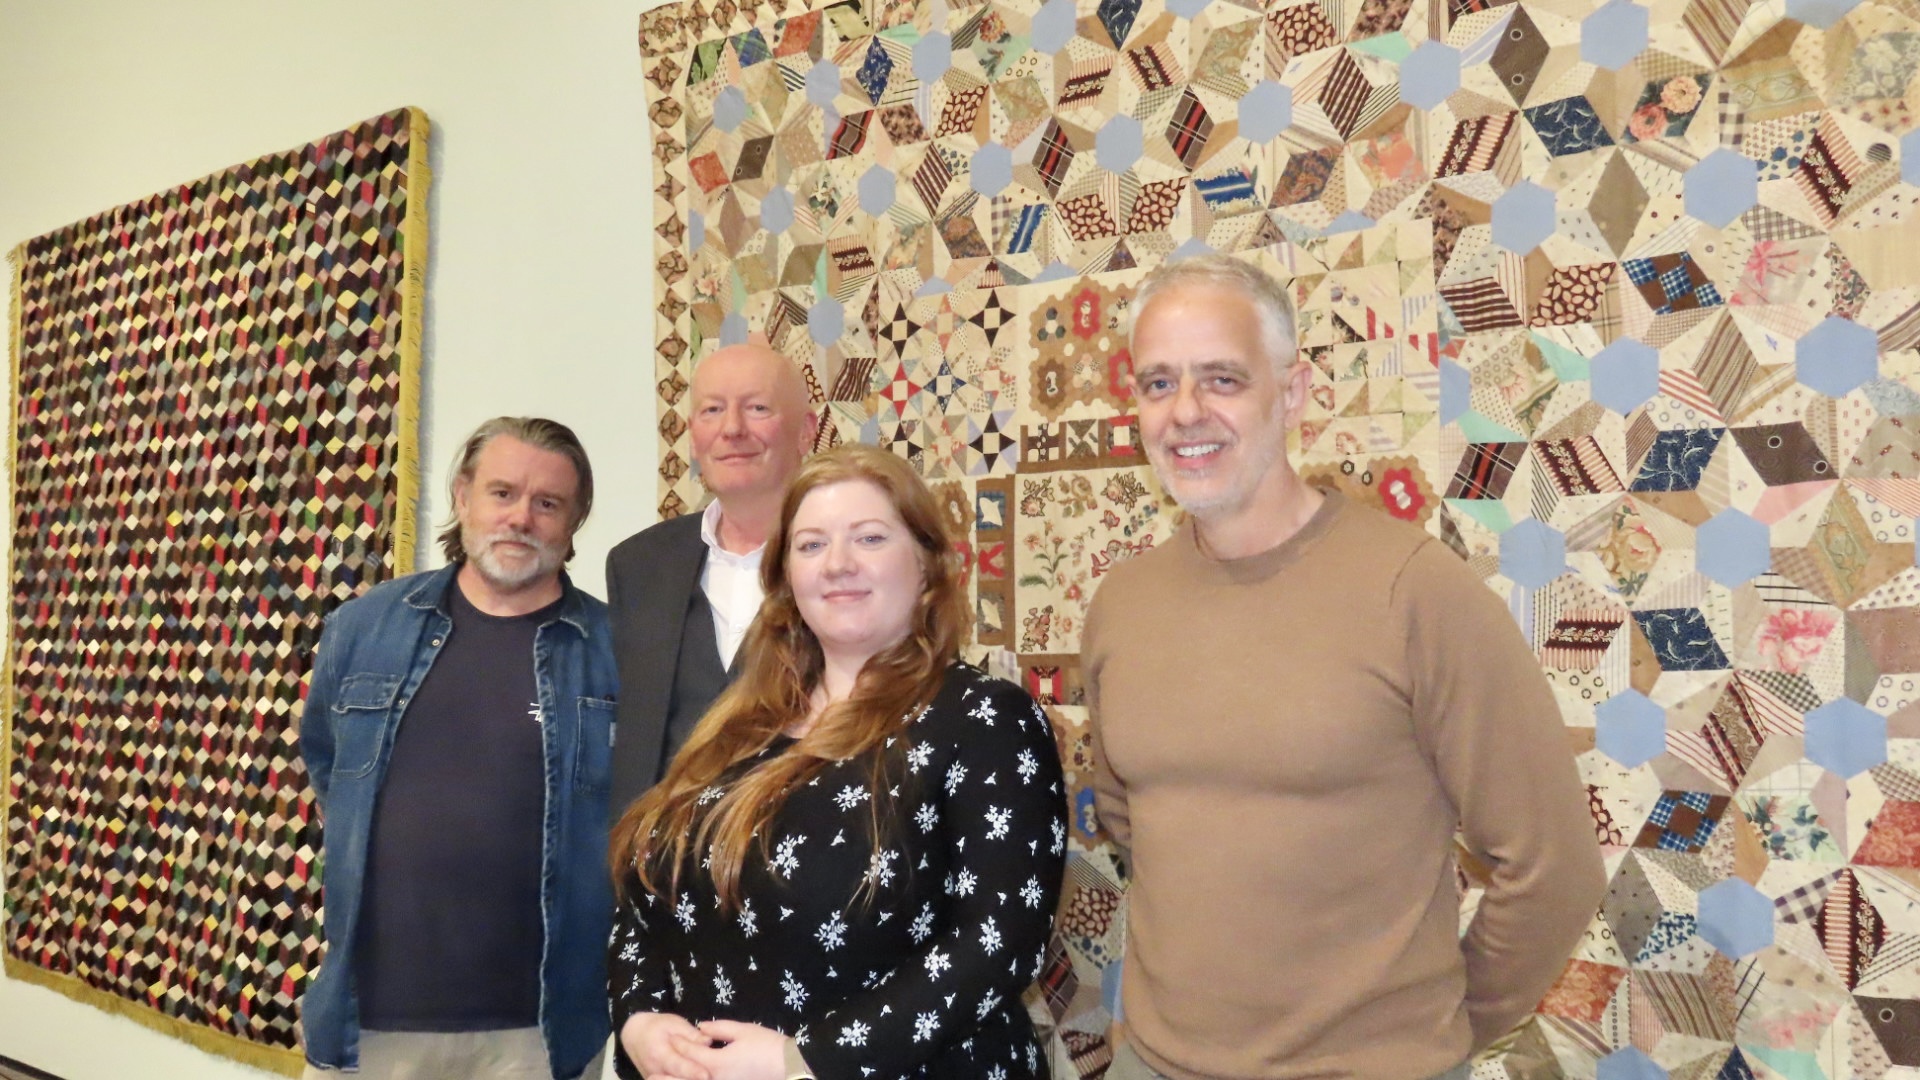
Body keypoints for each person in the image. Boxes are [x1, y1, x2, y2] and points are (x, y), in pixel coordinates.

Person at [1082, 255, 1606, 1080]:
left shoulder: (1415, 591)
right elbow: (1130, 818)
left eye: (1221, 378)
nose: (1185, 413)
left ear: (1291, 393)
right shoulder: (1121, 605)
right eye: (1157, 384)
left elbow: (1553, 868)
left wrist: (1434, 1041)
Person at [607, 444, 1068, 1080]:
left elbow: (997, 947)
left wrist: (808, 1062)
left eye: (870, 538)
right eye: (811, 545)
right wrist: (639, 1018)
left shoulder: (984, 719)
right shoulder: (738, 726)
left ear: (927, 565)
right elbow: (646, 898)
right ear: (786, 578)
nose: (838, 565)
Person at [299, 417, 617, 1080]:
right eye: (502, 493)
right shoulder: (364, 629)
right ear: (463, 495)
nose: (520, 518)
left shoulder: (615, 653)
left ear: (574, 520)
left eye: (547, 503)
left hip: (539, 1029)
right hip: (374, 1024)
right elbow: (329, 763)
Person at [605, 342, 818, 813]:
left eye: (758, 408)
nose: (732, 429)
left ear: (806, 431)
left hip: (808, 857)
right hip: (660, 869)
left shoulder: (851, 562)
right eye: (712, 410)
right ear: (693, 435)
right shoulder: (638, 565)